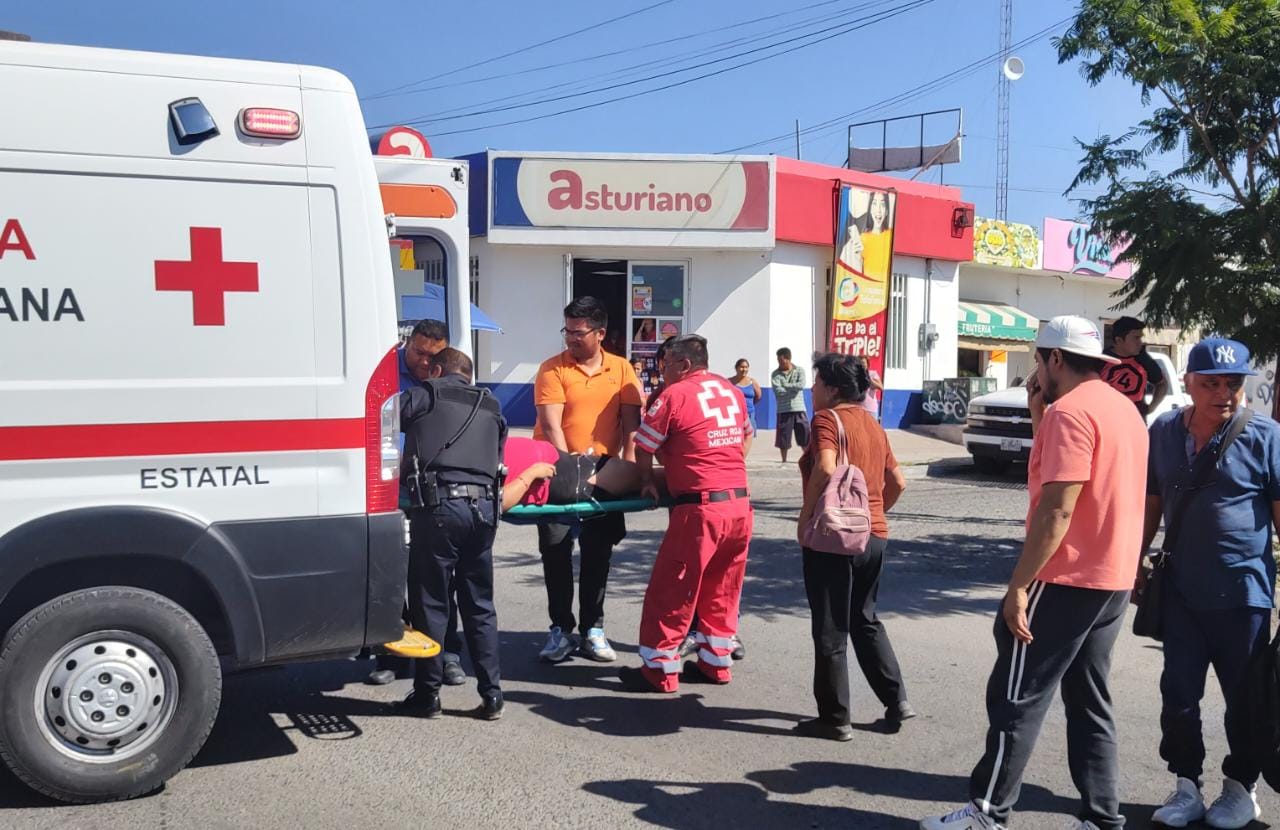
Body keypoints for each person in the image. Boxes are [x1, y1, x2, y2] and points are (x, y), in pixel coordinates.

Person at [922, 316, 1147, 830]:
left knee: (1016, 697)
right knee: (1091, 700)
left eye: (1038, 360)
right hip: (1112, 578)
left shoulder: (1071, 413)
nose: (1036, 370)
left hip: (1065, 576)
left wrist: (1019, 586)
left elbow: (1057, 511)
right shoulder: (1122, 409)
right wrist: (1039, 411)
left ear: (1056, 359)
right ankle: (1102, 817)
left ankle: (988, 812)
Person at [1142, 337, 1280, 829]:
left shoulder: (1266, 436)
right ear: (1189, 383)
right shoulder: (1161, 433)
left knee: (1245, 701)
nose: (1224, 392)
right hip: (1180, 592)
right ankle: (1186, 785)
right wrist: (1133, 560)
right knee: (1178, 695)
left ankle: (1241, 790)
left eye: (1233, 383)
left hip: (1244, 594)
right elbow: (1152, 505)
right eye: (1212, 383)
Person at [619, 335, 753, 693]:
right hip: (739, 505)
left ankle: (659, 671)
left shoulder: (674, 395)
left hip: (700, 509)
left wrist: (647, 480)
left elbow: (643, 443)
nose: (662, 372)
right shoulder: (731, 391)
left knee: (673, 589)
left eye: (665, 365)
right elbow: (745, 438)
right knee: (722, 588)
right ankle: (715, 664)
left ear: (684, 365)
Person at [794, 353, 912, 741]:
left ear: (831, 387)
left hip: (833, 537)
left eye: (815, 383)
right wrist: (871, 513)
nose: (812, 391)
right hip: (874, 535)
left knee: (830, 628)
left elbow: (826, 466)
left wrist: (807, 514)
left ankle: (835, 717)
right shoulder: (874, 425)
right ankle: (897, 701)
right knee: (866, 619)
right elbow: (898, 481)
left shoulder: (827, 419)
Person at [397, 348, 506, 721]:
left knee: (432, 603)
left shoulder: (424, 395)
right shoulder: (491, 406)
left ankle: (427, 695)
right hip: (484, 511)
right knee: (480, 605)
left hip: (439, 508)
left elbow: (380, 424)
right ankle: (492, 696)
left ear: (439, 369)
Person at [533, 297, 644, 663]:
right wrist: (569, 472)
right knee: (556, 553)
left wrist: (631, 471)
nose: (570, 339)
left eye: (578, 333)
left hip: (604, 475)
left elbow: (631, 428)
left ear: (600, 334)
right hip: (557, 473)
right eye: (566, 331)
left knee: (598, 554)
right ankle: (561, 630)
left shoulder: (622, 369)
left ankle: (593, 628)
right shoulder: (553, 369)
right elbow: (551, 426)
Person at [368, 318, 454, 687]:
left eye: (432, 356)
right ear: (408, 344)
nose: (423, 362)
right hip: (391, 488)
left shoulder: (447, 375)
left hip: (435, 489)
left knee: (439, 578)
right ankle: (393, 655)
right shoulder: (387, 373)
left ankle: (446, 654)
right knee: (392, 574)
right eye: (418, 352)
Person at [1100, 315, 1168, 418]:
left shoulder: (1144, 360)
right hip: (1106, 421)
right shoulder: (1100, 360)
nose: (1140, 342)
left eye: (1140, 337)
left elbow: (1162, 383)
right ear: (1119, 340)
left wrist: (1150, 408)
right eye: (1136, 338)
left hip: (1136, 422)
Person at [772, 347, 810, 464]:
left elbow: (801, 385)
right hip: (783, 410)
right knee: (783, 436)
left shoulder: (799, 371)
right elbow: (778, 391)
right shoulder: (775, 374)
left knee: (804, 434)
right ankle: (784, 460)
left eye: (782, 360)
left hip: (799, 408)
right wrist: (792, 389)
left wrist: (786, 385)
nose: (780, 363)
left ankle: (807, 458)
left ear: (788, 359)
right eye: (778, 360)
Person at [731, 358, 761, 456]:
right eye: (742, 367)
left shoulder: (752, 382)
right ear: (736, 368)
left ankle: (742, 457)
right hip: (735, 415)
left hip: (749, 414)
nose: (744, 369)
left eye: (746, 367)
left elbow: (758, 396)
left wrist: (748, 406)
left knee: (748, 437)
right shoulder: (730, 382)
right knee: (737, 437)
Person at [859, 191, 893, 277]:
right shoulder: (863, 238)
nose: (878, 210)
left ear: (887, 211)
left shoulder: (891, 236)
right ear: (870, 209)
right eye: (874, 204)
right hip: (867, 286)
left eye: (882, 205)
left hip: (883, 287)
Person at [854, 354, 885, 419]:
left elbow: (881, 387)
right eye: (860, 363)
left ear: (867, 364)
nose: (863, 365)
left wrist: (870, 379)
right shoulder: (855, 376)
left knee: (872, 428)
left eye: (864, 363)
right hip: (858, 408)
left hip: (871, 409)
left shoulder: (873, 374)